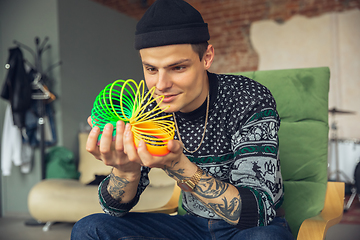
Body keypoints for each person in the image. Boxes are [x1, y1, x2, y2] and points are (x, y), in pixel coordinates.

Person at [71, 0, 294, 239]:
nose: (161, 85)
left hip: (247, 230)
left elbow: (258, 213)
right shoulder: (146, 109)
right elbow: (113, 208)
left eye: (177, 68)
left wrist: (177, 165)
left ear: (206, 57)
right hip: (189, 227)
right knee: (89, 229)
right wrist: (126, 171)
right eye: (151, 69)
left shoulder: (249, 99)